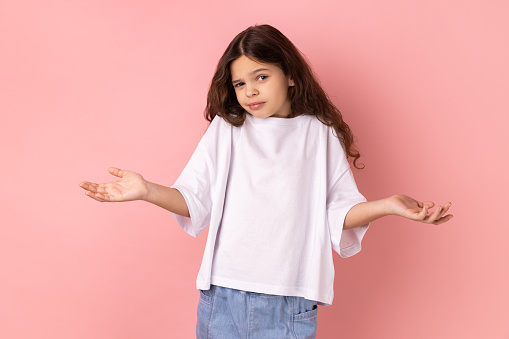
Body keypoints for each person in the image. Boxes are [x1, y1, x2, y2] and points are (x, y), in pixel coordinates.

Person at [79, 24, 453, 339]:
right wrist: (146, 191)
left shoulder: (318, 135)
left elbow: (337, 212)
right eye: (240, 83)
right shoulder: (228, 129)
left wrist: (388, 206)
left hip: (288, 302)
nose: (250, 91)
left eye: (261, 76)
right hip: (221, 296)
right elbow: (196, 201)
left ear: (290, 75)